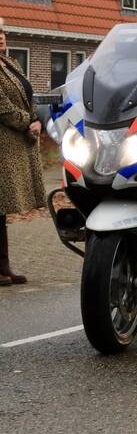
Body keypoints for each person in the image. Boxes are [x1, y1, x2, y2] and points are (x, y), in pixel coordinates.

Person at [0, 18, 46, 286]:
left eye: (3, 32)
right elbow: (2, 106)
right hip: (4, 144)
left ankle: (4, 266)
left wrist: (37, 118)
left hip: (16, 143)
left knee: (2, 209)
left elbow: (29, 96)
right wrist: (27, 122)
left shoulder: (10, 63)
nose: (1, 37)